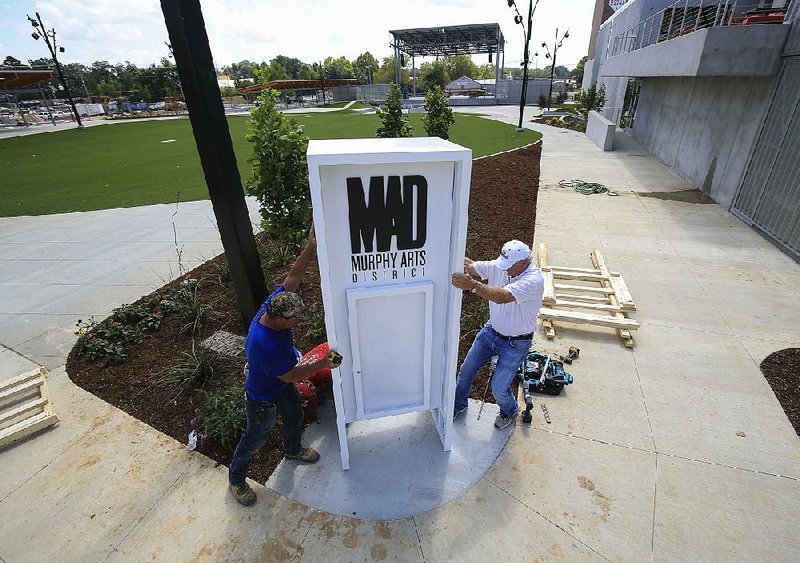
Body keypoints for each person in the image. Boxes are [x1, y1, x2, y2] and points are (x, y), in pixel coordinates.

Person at [229, 226, 336, 506]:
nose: (298, 323)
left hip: (281, 385)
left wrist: (311, 247)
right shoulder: (265, 344)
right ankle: (236, 480)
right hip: (263, 397)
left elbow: (294, 277)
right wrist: (324, 363)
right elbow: (292, 375)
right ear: (281, 320)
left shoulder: (273, 305)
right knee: (256, 436)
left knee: (294, 416)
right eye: (295, 320)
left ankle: (293, 450)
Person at [451, 240, 544, 429]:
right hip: (490, 332)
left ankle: (509, 410)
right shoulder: (502, 267)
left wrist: (473, 286)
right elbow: (469, 266)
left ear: (524, 263)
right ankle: (458, 405)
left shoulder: (534, 280)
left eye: (509, 266)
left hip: (516, 343)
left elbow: (503, 296)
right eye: (504, 264)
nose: (505, 270)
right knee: (466, 371)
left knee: (499, 388)